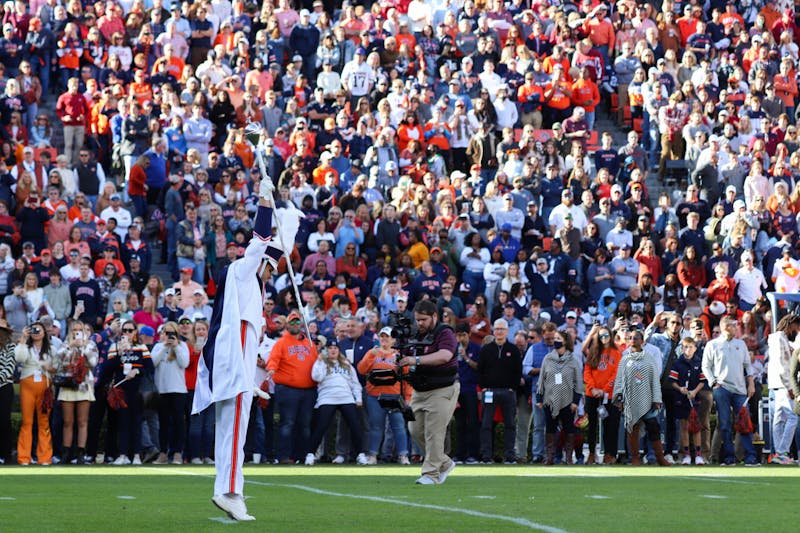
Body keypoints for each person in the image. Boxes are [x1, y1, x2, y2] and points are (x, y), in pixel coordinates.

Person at [192, 178, 287, 521]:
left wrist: (255, 380)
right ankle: (230, 491)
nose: (272, 272)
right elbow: (259, 242)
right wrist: (264, 201)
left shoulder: (255, 291)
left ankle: (228, 488)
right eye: (271, 265)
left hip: (240, 367)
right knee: (234, 429)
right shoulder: (242, 273)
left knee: (234, 429)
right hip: (231, 364)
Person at [397, 299, 459, 485]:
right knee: (415, 429)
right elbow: (405, 354)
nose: (419, 323)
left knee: (434, 432)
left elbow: (444, 356)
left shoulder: (445, 333)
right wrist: (400, 360)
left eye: (423, 319)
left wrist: (414, 360)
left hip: (442, 388)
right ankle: (445, 463)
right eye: (417, 319)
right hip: (420, 390)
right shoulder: (417, 334)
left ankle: (430, 474)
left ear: (434, 316)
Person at [702, 316, 758, 466]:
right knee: (725, 423)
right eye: (734, 326)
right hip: (722, 388)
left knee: (744, 422)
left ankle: (750, 457)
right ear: (726, 328)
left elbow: (748, 366)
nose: (736, 328)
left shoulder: (741, 344)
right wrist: (713, 381)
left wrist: (750, 384)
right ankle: (729, 458)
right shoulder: (712, 345)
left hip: (740, 389)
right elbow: (705, 366)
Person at [304, 339, 367, 466]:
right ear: (326, 350)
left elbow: (355, 383)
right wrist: (322, 361)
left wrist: (358, 399)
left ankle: (360, 454)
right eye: (330, 348)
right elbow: (316, 377)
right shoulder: (320, 362)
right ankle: (310, 454)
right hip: (327, 397)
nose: (333, 350)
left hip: (346, 397)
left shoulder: (346, 364)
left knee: (355, 426)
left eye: (335, 348)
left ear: (339, 350)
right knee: (320, 427)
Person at [613, 329, 669, 466]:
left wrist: (657, 398)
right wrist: (619, 398)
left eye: (636, 337)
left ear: (642, 341)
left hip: (647, 397)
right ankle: (635, 458)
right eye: (630, 337)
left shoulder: (649, 358)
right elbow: (619, 379)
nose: (633, 339)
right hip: (630, 398)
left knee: (653, 427)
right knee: (633, 427)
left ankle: (660, 457)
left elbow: (655, 379)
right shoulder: (624, 357)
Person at [357, 326, 410, 465]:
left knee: (398, 426)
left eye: (387, 336)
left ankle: (403, 456)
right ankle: (373, 455)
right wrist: (371, 355)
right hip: (375, 396)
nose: (384, 339)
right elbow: (362, 370)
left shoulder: (399, 355)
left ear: (393, 339)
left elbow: (406, 378)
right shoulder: (372, 352)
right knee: (375, 427)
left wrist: (408, 397)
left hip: (393, 396)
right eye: (382, 336)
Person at [477, 319, 522, 464]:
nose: (499, 332)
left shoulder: (513, 350)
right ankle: (486, 456)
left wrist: (512, 387)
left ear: (507, 331)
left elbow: (518, 371)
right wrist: (484, 387)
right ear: (493, 331)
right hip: (489, 391)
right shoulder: (486, 349)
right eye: (497, 329)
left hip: (507, 392)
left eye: (502, 329)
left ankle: (510, 456)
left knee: (510, 424)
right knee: (486, 424)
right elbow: (480, 370)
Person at [53, 320, 98, 464]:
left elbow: (93, 363)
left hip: (84, 385)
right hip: (68, 384)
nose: (77, 332)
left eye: (80, 329)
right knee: (67, 422)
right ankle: (66, 453)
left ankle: (80, 453)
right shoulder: (65, 344)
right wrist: (70, 347)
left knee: (82, 421)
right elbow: (58, 361)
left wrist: (83, 348)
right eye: (74, 329)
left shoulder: (90, 344)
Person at [535, 330, 582, 465]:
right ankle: (550, 457)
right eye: (554, 338)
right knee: (550, 428)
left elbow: (578, 383)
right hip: (550, 399)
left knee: (568, 429)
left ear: (565, 341)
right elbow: (541, 380)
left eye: (558, 338)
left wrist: (575, 401)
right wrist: (539, 398)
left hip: (567, 400)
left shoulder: (574, 360)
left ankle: (568, 457)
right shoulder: (548, 359)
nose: (555, 340)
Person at [15, 320, 55, 465]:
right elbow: (19, 358)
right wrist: (23, 339)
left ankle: (45, 457)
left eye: (39, 330)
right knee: (27, 422)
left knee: (44, 422)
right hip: (27, 385)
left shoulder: (51, 349)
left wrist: (49, 367)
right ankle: (24, 457)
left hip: (45, 386)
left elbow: (57, 368)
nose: (36, 333)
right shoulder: (25, 346)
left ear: (44, 332)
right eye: (34, 330)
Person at [151, 320, 189, 465]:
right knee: (164, 423)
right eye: (166, 333)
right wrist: (164, 347)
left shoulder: (182, 346)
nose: (169, 336)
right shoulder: (158, 346)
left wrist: (176, 347)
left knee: (179, 423)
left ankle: (178, 453)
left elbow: (184, 363)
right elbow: (153, 362)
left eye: (172, 333)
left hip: (178, 390)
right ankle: (163, 453)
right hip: (162, 390)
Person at [582, 324, 622, 464]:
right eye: (601, 336)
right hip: (592, 393)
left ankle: (609, 454)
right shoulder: (593, 351)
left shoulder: (616, 353)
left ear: (610, 336)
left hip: (609, 395)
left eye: (606, 335)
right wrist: (593, 388)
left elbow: (616, 374)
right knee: (591, 425)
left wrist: (604, 390)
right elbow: (587, 372)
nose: (604, 338)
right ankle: (592, 454)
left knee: (609, 425)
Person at [766, 314, 799, 465]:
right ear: (790, 324)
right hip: (782, 384)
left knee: (779, 420)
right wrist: (789, 386)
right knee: (793, 417)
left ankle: (779, 454)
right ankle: (781, 451)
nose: (797, 330)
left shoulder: (779, 338)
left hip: (777, 384)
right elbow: (781, 365)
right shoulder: (779, 338)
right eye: (796, 327)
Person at [669, 336, 707, 465]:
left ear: (695, 348)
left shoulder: (699, 362)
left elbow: (702, 381)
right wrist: (680, 389)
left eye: (691, 347)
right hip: (681, 398)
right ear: (682, 348)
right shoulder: (677, 363)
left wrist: (694, 392)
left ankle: (698, 455)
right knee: (684, 426)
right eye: (685, 347)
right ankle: (686, 455)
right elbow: (672, 381)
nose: (688, 349)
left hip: (695, 399)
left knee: (696, 426)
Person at [0, 319, 13, 464]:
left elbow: (9, 367)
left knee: (4, 420)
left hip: (5, 387)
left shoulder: (10, 347)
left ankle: (6, 454)